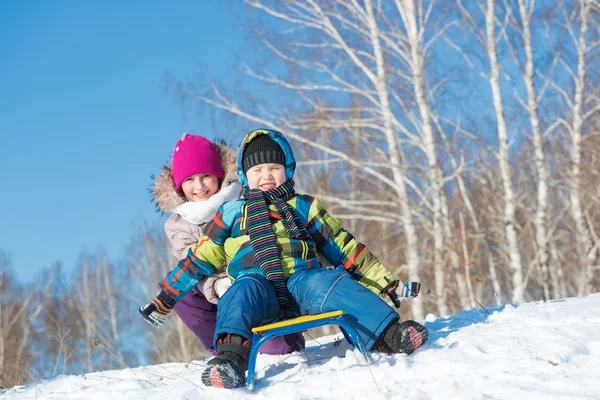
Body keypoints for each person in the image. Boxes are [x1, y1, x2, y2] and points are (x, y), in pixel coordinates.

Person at [141, 129, 428, 389]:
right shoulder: (229, 214)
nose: (266, 175)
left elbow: (342, 245)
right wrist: (166, 298)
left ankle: (388, 335)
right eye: (258, 169)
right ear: (244, 175)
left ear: (287, 170)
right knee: (239, 290)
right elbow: (198, 259)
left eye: (274, 168)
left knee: (331, 281)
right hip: (258, 288)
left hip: (303, 282)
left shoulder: (303, 205)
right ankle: (231, 360)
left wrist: (385, 282)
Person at [146, 133, 305, 356]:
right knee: (180, 285)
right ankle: (223, 348)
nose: (199, 186)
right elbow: (192, 263)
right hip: (217, 294)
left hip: (257, 284)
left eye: (206, 176)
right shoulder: (178, 225)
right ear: (179, 186)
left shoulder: (244, 201)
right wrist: (219, 285)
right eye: (190, 180)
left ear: (220, 175)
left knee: (279, 353)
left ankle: (273, 337)